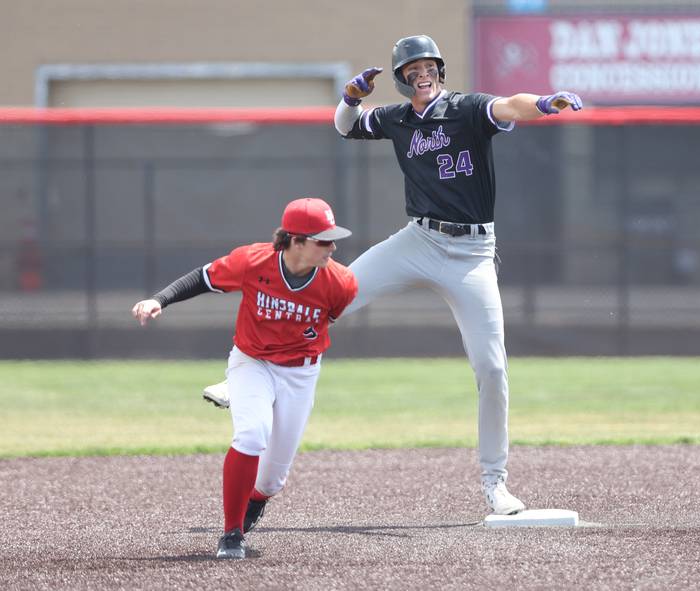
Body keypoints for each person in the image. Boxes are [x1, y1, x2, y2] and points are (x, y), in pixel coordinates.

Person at [202, 34, 583, 522]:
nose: (421, 74)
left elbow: (511, 105)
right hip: (418, 240)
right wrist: (350, 97)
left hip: (470, 252)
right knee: (328, 296)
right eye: (411, 69)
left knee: (491, 368)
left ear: (440, 70)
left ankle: (495, 483)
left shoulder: (466, 108)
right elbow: (344, 127)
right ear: (401, 79)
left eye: (428, 66)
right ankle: (245, 376)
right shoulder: (397, 118)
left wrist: (547, 102)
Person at [132, 197, 357, 559]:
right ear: (295, 240)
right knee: (252, 434)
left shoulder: (341, 283)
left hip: (300, 373)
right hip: (252, 362)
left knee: (272, 480)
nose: (333, 246)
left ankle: (257, 497)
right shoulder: (253, 262)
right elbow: (203, 278)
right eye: (323, 240)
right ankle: (231, 534)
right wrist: (161, 299)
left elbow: (329, 317)